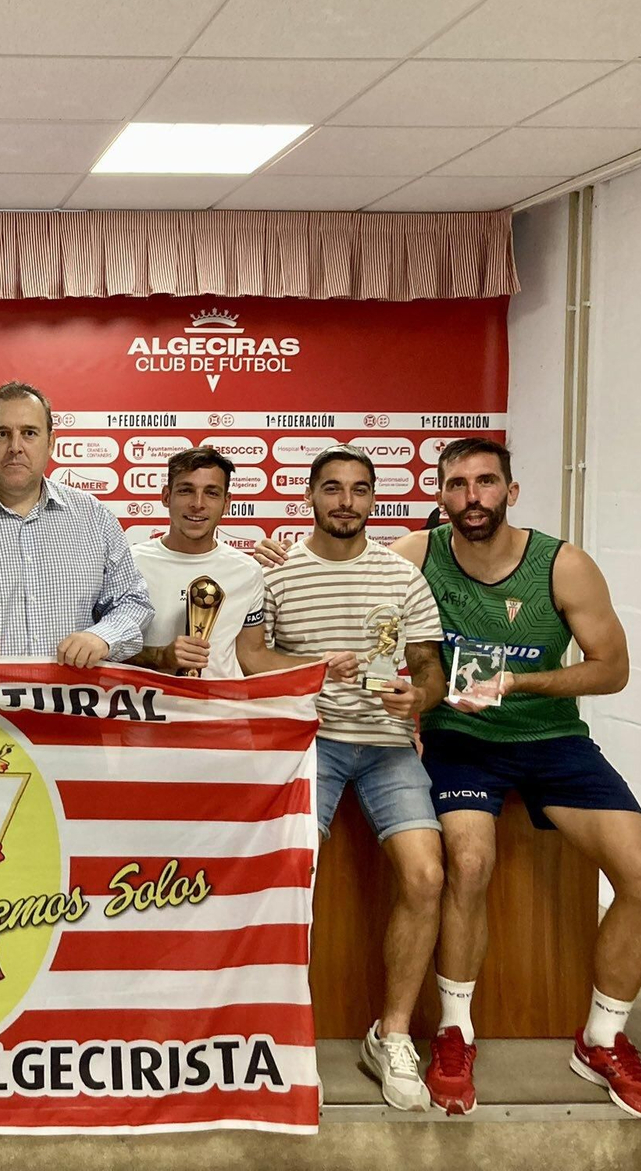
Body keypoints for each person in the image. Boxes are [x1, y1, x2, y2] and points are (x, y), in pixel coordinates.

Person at [410, 438, 641, 1118]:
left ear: (510, 492)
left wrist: (520, 681)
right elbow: (346, 574)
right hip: (460, 743)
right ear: (441, 495)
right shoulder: (417, 554)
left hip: (551, 739)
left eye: (486, 482)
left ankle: (603, 1039)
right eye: (458, 484)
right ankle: (454, 1031)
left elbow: (610, 667)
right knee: (468, 860)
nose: (472, 496)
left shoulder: (562, 564)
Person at [259, 444, 448, 1112]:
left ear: (374, 499)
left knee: (427, 875)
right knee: (290, 873)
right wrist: (309, 672)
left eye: (359, 489)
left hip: (388, 745)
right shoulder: (278, 574)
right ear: (310, 496)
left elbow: (430, 670)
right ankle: (278, 1031)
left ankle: (390, 1035)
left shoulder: (402, 577)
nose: (346, 501)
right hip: (310, 741)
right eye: (333, 488)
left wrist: (417, 698)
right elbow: (255, 656)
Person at [0, 381, 153, 672]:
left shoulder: (95, 518)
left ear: (50, 442)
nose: (15, 447)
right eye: (2, 434)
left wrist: (103, 636)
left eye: (29, 433)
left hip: (75, 710)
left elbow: (133, 601)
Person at [127, 446, 354, 681]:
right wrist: (160, 656)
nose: (198, 503)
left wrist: (321, 665)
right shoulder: (131, 564)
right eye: (186, 490)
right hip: (149, 711)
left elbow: (252, 657)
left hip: (221, 711)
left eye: (211, 493)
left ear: (226, 503)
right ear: (166, 496)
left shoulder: (246, 571)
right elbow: (105, 649)